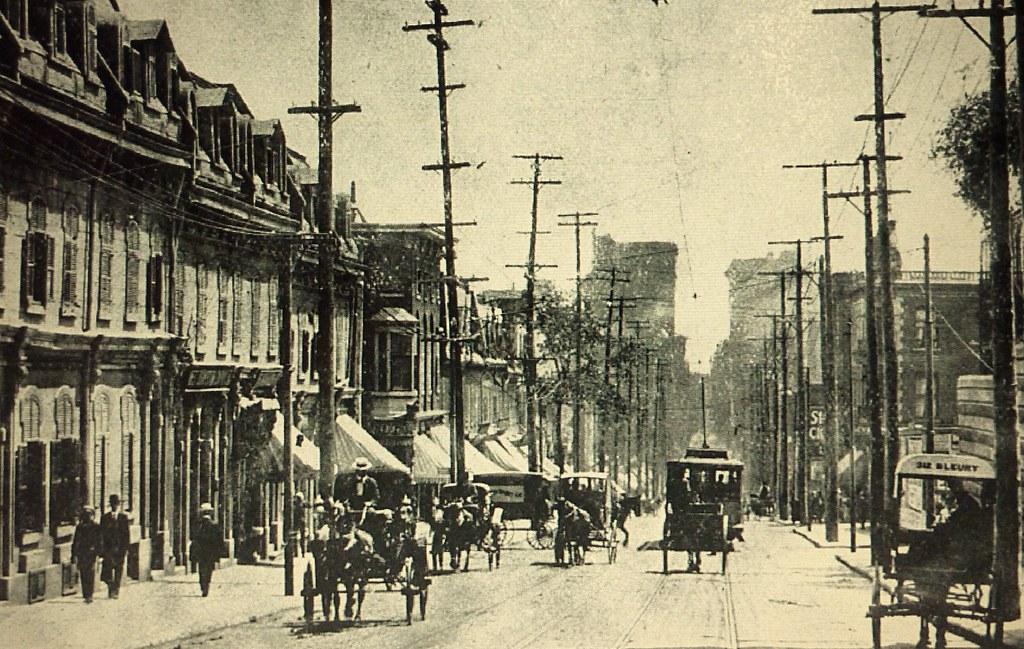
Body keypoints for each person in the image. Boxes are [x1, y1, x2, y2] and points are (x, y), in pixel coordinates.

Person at [99, 494, 130, 598]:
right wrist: (102, 550)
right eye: (113, 504)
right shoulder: (104, 518)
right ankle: (110, 586)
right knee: (107, 571)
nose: (115, 506)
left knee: (118, 570)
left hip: (120, 549)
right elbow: (101, 534)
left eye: (116, 504)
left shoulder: (123, 518)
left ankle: (115, 591)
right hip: (108, 549)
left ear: (118, 505)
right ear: (110, 505)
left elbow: (126, 535)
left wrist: (126, 548)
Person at [191, 503, 223, 597]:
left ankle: (203, 585)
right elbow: (219, 541)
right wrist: (218, 553)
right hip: (211, 552)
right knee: (209, 570)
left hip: (201, 552)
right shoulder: (214, 525)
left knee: (201, 569)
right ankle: (206, 585)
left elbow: (194, 539)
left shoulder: (198, 526)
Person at [71, 506, 101, 603]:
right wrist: (74, 554)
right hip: (82, 553)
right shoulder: (80, 527)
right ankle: (86, 594)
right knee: (83, 573)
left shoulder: (96, 526)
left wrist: (97, 551)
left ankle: (90, 594)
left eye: (89, 515)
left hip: (91, 553)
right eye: (85, 515)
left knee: (90, 573)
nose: (87, 517)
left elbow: (99, 540)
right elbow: (76, 541)